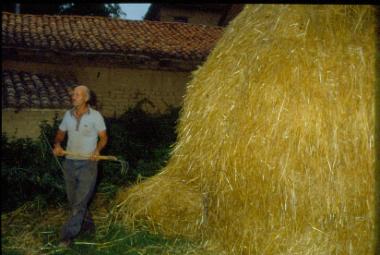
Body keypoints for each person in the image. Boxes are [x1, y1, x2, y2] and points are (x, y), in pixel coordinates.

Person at [53, 85, 107, 247]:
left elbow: (103, 138)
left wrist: (97, 150)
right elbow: (60, 134)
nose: (73, 97)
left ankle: (66, 237)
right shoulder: (67, 115)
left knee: (79, 203)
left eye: (77, 94)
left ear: (86, 98)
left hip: (88, 165)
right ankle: (89, 227)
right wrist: (57, 145)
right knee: (74, 201)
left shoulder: (95, 116)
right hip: (69, 162)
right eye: (73, 94)